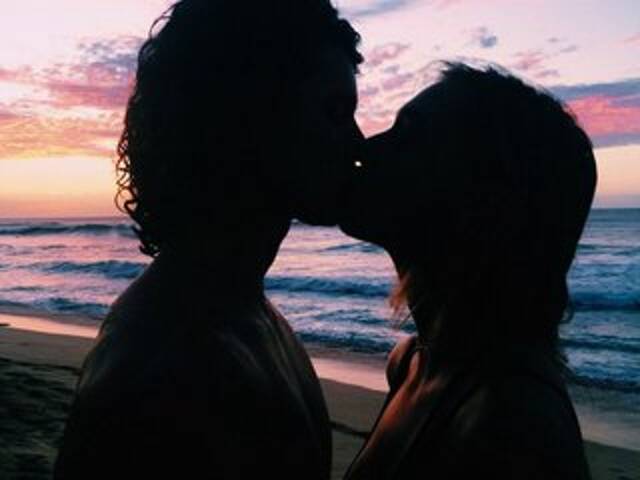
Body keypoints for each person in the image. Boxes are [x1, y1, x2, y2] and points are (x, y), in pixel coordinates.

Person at [54, 1, 363, 478]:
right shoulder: (166, 374)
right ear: (248, 116)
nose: (358, 144)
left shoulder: (244, 312)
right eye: (335, 113)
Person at [340, 63, 595, 479]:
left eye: (409, 138)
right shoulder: (411, 361)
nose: (367, 149)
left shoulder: (514, 427)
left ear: (486, 199)